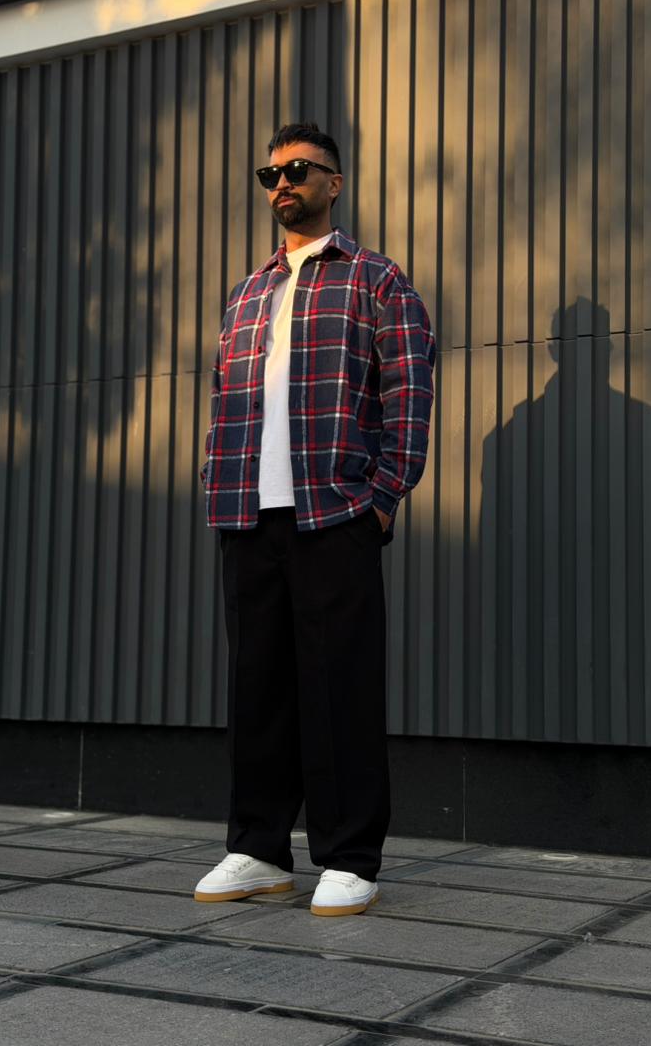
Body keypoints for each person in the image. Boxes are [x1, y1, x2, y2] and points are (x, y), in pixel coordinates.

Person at [195, 122, 435, 916]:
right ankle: (258, 849)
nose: (283, 184)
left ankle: (349, 856)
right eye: (271, 173)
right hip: (246, 514)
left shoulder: (377, 279)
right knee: (257, 690)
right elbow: (227, 394)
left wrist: (383, 498)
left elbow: (409, 390)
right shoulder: (248, 292)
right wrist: (217, 478)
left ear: (334, 182)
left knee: (340, 688)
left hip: (335, 513)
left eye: (299, 170)